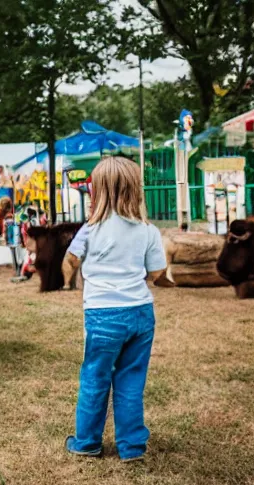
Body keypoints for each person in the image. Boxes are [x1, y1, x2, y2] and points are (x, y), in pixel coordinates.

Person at [64, 156, 167, 463]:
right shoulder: (148, 230)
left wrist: (73, 276)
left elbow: (71, 259)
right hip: (140, 313)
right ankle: (132, 446)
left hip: (102, 315)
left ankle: (86, 442)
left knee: (95, 378)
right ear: (135, 188)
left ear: (98, 191)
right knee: (132, 380)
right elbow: (157, 272)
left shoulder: (89, 229)